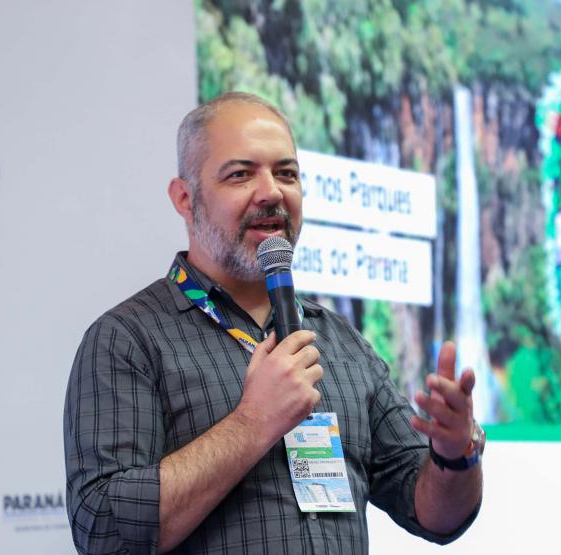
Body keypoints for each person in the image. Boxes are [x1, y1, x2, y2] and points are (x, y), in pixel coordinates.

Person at [64, 92, 483, 555]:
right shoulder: (128, 339)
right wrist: (254, 422)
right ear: (185, 199)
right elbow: (103, 529)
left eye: (286, 173)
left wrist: (454, 456)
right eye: (241, 174)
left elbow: (434, 513)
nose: (271, 192)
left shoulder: (342, 343)